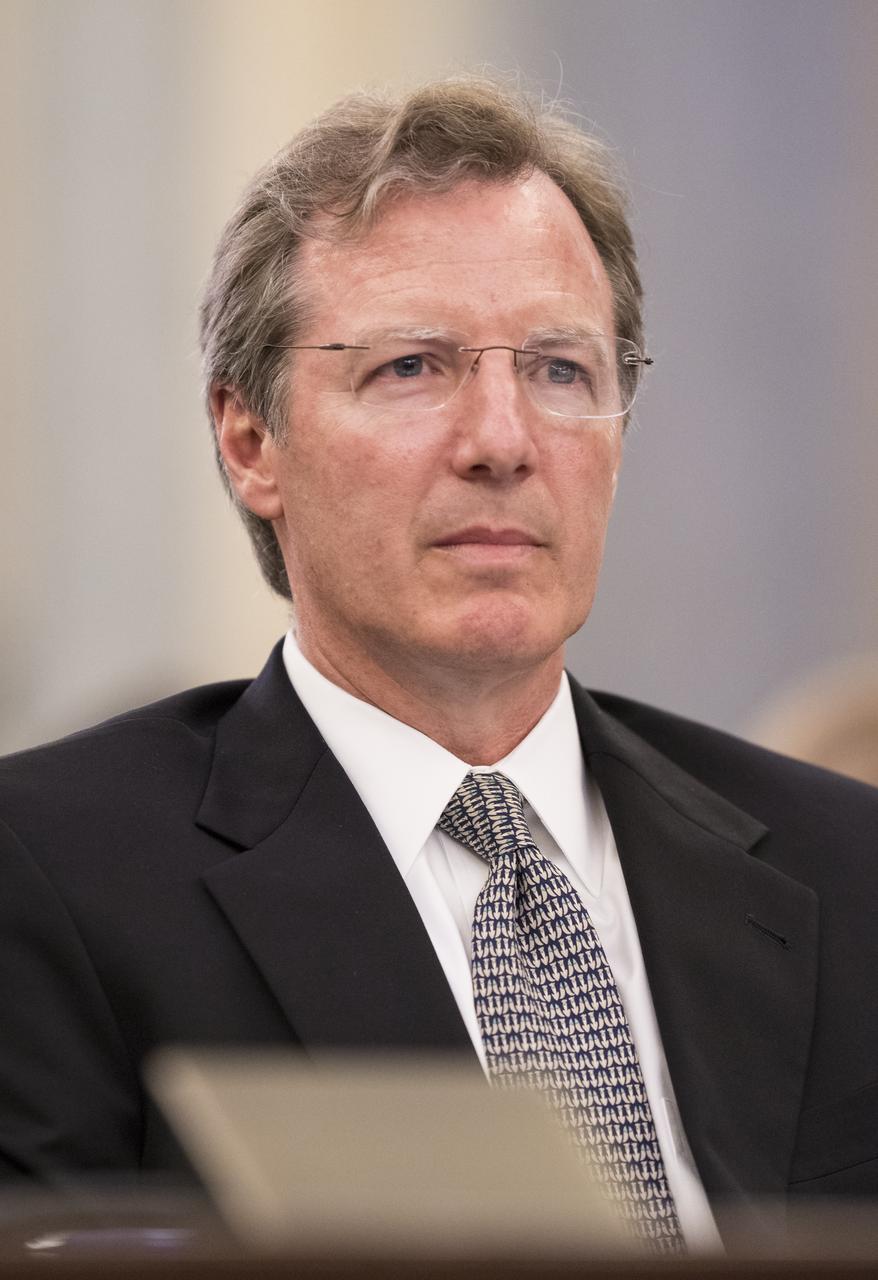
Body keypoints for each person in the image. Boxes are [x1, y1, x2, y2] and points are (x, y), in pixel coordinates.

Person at [0, 78, 876, 1252]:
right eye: (411, 366)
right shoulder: (52, 876)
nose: (502, 441)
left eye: (559, 370)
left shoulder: (846, 866)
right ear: (251, 439)